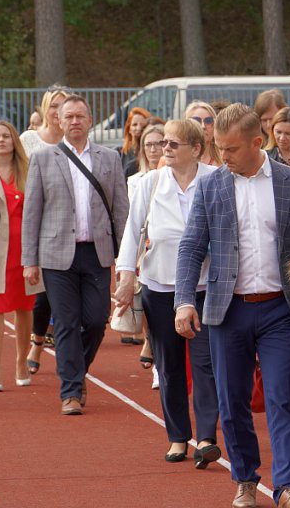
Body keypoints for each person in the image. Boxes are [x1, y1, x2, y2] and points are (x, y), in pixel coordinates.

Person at [174, 103, 290, 508]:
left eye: (231, 149)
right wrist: (184, 300)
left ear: (258, 142)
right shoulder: (212, 185)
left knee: (282, 398)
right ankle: (246, 481)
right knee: (232, 403)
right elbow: (191, 247)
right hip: (227, 309)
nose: (222, 157)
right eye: (218, 148)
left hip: (281, 311)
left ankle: (287, 487)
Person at [115, 118, 221, 467]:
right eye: (163, 144)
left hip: (205, 286)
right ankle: (178, 437)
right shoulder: (150, 182)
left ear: (196, 149)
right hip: (160, 284)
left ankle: (206, 436)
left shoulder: (215, 179)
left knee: (206, 364)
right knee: (170, 365)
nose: (166, 149)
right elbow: (133, 229)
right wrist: (126, 276)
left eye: (174, 144)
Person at [22, 94, 129, 416]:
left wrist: (126, 260)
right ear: (59, 120)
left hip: (97, 252)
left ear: (90, 120)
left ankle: (76, 370)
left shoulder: (109, 158)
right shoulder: (44, 158)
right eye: (68, 117)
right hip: (56, 254)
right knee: (67, 322)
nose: (74, 122)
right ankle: (70, 389)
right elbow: (32, 211)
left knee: (96, 321)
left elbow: (121, 210)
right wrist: (30, 260)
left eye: (80, 116)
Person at [0, 121, 42, 392]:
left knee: (25, 308)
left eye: (6, 136)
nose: (1, 140)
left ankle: (21, 362)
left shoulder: (29, 169)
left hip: (26, 250)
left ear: (15, 140)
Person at [21, 86, 68, 374]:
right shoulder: (29, 140)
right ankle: (38, 340)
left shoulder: (78, 141)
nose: (58, 112)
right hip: (39, 223)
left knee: (66, 296)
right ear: (45, 109)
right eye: (54, 105)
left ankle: (65, 354)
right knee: (43, 295)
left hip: (70, 226)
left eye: (64, 106)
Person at [120, 124, 165, 356]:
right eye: (148, 144)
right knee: (144, 295)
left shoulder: (171, 176)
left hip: (162, 245)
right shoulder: (135, 178)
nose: (153, 149)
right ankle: (150, 337)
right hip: (140, 243)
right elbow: (131, 216)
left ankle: (152, 342)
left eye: (159, 143)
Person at [186, 101, 221, 166]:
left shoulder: (225, 160)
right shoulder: (174, 160)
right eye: (196, 120)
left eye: (208, 120)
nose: (203, 126)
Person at [120, 107, 151, 177]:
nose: (139, 128)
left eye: (143, 126)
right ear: (129, 129)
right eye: (135, 125)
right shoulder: (121, 154)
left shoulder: (153, 151)